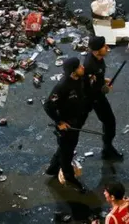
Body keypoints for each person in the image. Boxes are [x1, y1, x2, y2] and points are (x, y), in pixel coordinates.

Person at [43, 57, 89, 191]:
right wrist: (59, 122)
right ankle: (69, 177)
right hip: (66, 125)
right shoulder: (62, 86)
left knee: (66, 147)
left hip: (76, 121)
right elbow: (48, 105)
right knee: (67, 152)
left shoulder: (79, 79)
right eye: (79, 66)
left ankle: (52, 168)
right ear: (73, 71)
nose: (83, 67)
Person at [84, 36, 122, 159]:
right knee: (109, 122)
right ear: (95, 51)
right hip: (94, 99)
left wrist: (102, 80)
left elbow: (97, 77)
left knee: (108, 122)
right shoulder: (90, 65)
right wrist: (103, 88)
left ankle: (107, 147)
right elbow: (87, 87)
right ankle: (107, 149)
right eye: (104, 47)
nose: (107, 48)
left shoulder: (98, 58)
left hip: (98, 95)